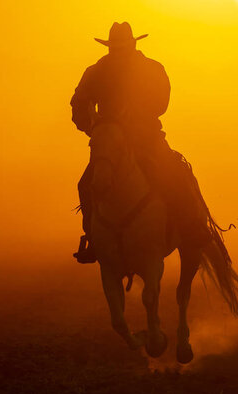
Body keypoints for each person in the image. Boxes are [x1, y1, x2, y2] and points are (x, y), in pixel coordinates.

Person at [71, 22, 211, 263]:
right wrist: (94, 129)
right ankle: (94, 238)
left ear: (133, 45)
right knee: (86, 184)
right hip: (110, 142)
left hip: (147, 137)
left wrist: (136, 118)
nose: (118, 52)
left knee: (175, 174)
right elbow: (78, 103)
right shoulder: (96, 71)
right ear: (109, 48)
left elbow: (161, 103)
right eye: (114, 48)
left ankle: (192, 228)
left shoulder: (152, 69)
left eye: (122, 47)